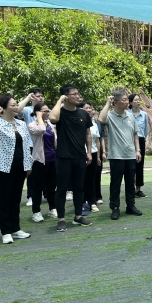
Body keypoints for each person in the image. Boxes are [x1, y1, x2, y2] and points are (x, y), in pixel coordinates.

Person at [0, 94, 33, 244]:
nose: (16, 107)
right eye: (13, 105)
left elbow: (26, 146)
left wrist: (28, 165)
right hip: (3, 167)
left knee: (16, 199)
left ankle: (15, 229)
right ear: (3, 108)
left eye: (16, 104)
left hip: (20, 166)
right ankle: (6, 231)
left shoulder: (21, 124)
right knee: (4, 199)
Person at [49, 84, 93, 231]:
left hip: (80, 156)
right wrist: (59, 101)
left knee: (79, 188)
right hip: (63, 157)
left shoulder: (83, 114)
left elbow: (88, 134)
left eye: (78, 93)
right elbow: (53, 118)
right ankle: (61, 219)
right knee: (61, 189)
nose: (77, 96)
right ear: (66, 97)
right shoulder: (60, 112)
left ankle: (78, 216)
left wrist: (88, 152)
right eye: (74, 94)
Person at [98, 90, 143, 220]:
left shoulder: (130, 116)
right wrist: (108, 103)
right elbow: (101, 120)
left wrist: (138, 150)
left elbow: (135, 134)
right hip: (116, 156)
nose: (127, 102)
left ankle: (131, 206)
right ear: (115, 102)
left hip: (130, 155)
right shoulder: (110, 116)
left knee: (130, 183)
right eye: (124, 100)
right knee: (115, 183)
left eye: (127, 99)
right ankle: (115, 208)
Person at [28, 103, 58, 222]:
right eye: (44, 111)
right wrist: (39, 117)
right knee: (38, 187)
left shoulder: (50, 124)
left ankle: (52, 208)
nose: (47, 113)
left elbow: (55, 140)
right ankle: (36, 212)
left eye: (47, 111)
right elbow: (41, 130)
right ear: (37, 112)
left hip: (52, 159)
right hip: (39, 160)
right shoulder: (32, 125)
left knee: (51, 186)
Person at [18, 88, 44, 207]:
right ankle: (31, 196)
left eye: (42, 95)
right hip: (31, 145)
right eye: (38, 96)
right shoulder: (28, 110)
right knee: (32, 173)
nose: (41, 98)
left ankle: (46, 194)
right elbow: (18, 110)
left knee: (46, 172)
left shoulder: (46, 110)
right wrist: (28, 98)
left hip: (45, 146)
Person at [79, 102, 101, 213]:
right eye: (86, 108)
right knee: (82, 179)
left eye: (90, 108)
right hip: (81, 154)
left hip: (93, 153)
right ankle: (82, 202)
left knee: (92, 179)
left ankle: (92, 202)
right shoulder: (78, 122)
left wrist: (98, 156)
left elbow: (97, 141)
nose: (89, 110)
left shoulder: (94, 124)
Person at [127, 93, 149, 198]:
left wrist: (143, 139)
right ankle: (130, 189)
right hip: (129, 141)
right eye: (135, 100)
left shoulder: (144, 114)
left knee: (140, 165)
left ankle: (138, 189)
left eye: (138, 99)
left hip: (140, 140)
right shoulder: (127, 114)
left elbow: (146, 129)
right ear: (131, 102)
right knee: (130, 165)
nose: (138, 101)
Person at [93, 110, 106, 204]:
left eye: (91, 108)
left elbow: (101, 138)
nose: (90, 110)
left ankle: (98, 196)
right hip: (85, 151)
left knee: (97, 174)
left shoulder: (97, 123)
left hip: (97, 151)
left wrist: (103, 152)